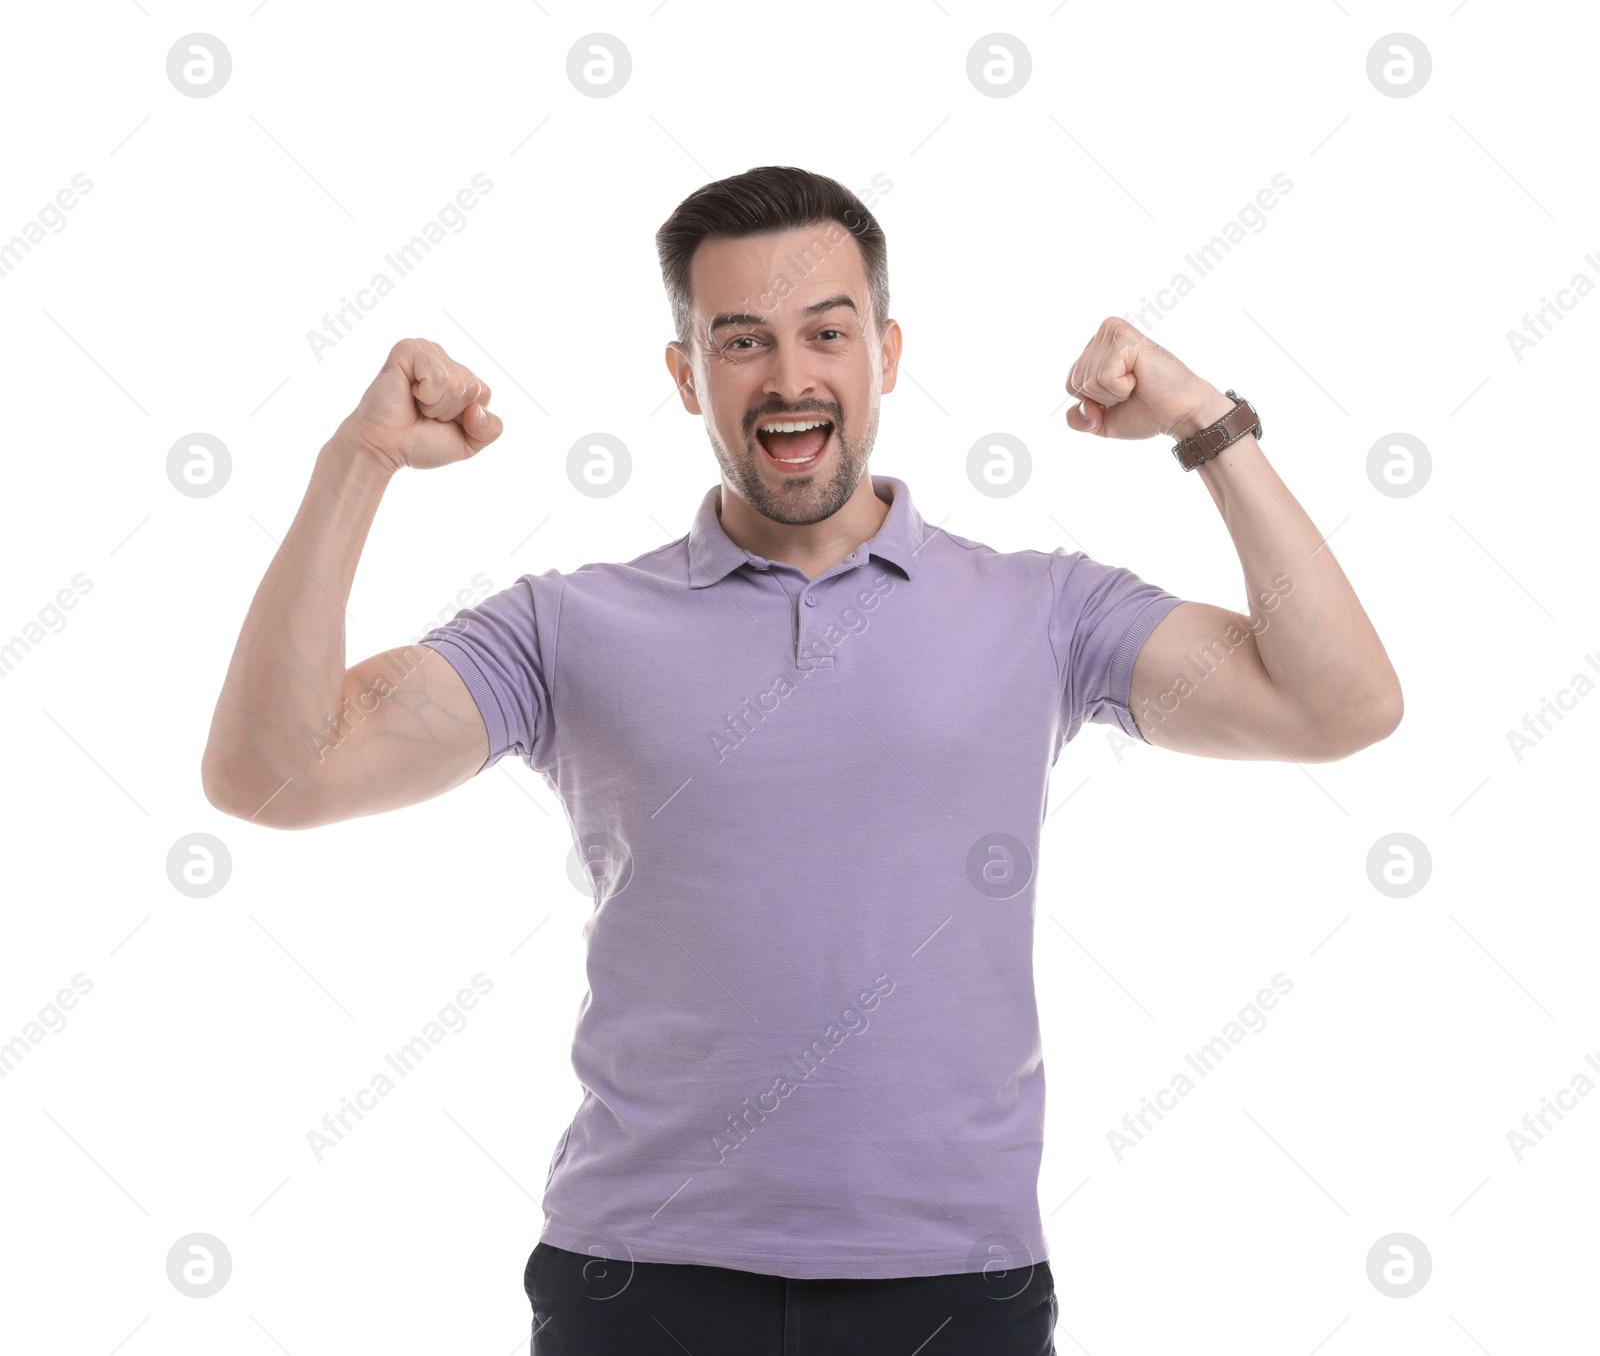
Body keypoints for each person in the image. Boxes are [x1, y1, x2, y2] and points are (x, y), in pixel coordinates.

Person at [201, 165, 1403, 1355]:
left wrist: (1205, 422)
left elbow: (1337, 705)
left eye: (826, 333)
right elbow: (272, 773)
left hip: (951, 1286)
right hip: (640, 1286)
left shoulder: (1043, 611)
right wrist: (354, 463)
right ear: (685, 375)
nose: (789, 379)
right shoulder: (567, 629)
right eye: (740, 342)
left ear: (885, 352)